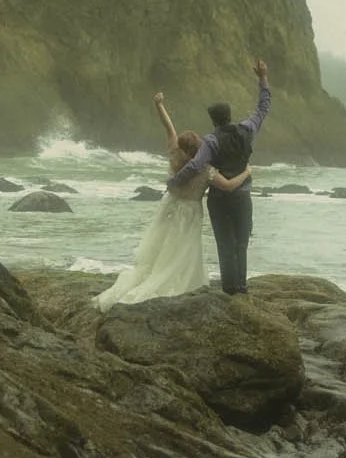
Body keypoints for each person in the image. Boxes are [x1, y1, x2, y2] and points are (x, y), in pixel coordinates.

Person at [95, 91, 251, 310]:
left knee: (165, 247)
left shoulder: (175, 155)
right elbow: (228, 186)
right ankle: (180, 283)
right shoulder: (206, 170)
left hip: (170, 208)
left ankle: (157, 276)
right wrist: (247, 172)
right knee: (184, 251)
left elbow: (168, 127)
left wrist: (159, 104)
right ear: (200, 149)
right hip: (190, 214)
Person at [167, 57, 270, 294]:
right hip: (243, 196)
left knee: (225, 244)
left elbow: (195, 167)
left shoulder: (211, 141)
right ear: (230, 115)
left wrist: (173, 182)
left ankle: (229, 289)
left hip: (220, 200)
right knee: (241, 244)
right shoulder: (248, 129)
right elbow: (263, 108)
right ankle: (242, 287)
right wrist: (262, 77)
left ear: (213, 120)